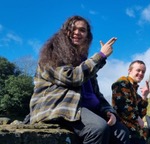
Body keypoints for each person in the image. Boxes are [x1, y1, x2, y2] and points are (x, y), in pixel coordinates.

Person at [29, 15, 129, 144]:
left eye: (82, 30)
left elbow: (96, 94)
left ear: (87, 36)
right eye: (73, 29)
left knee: (121, 132)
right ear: (65, 32)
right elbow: (72, 77)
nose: (77, 32)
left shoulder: (84, 61)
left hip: (85, 110)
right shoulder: (50, 54)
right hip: (58, 107)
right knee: (97, 128)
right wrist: (101, 56)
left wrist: (109, 111)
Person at [112, 60, 150, 144]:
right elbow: (122, 107)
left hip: (134, 129)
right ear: (129, 70)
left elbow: (141, 114)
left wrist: (144, 96)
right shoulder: (122, 82)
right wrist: (137, 118)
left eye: (143, 72)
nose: (141, 73)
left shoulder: (133, 90)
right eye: (138, 70)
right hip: (124, 128)